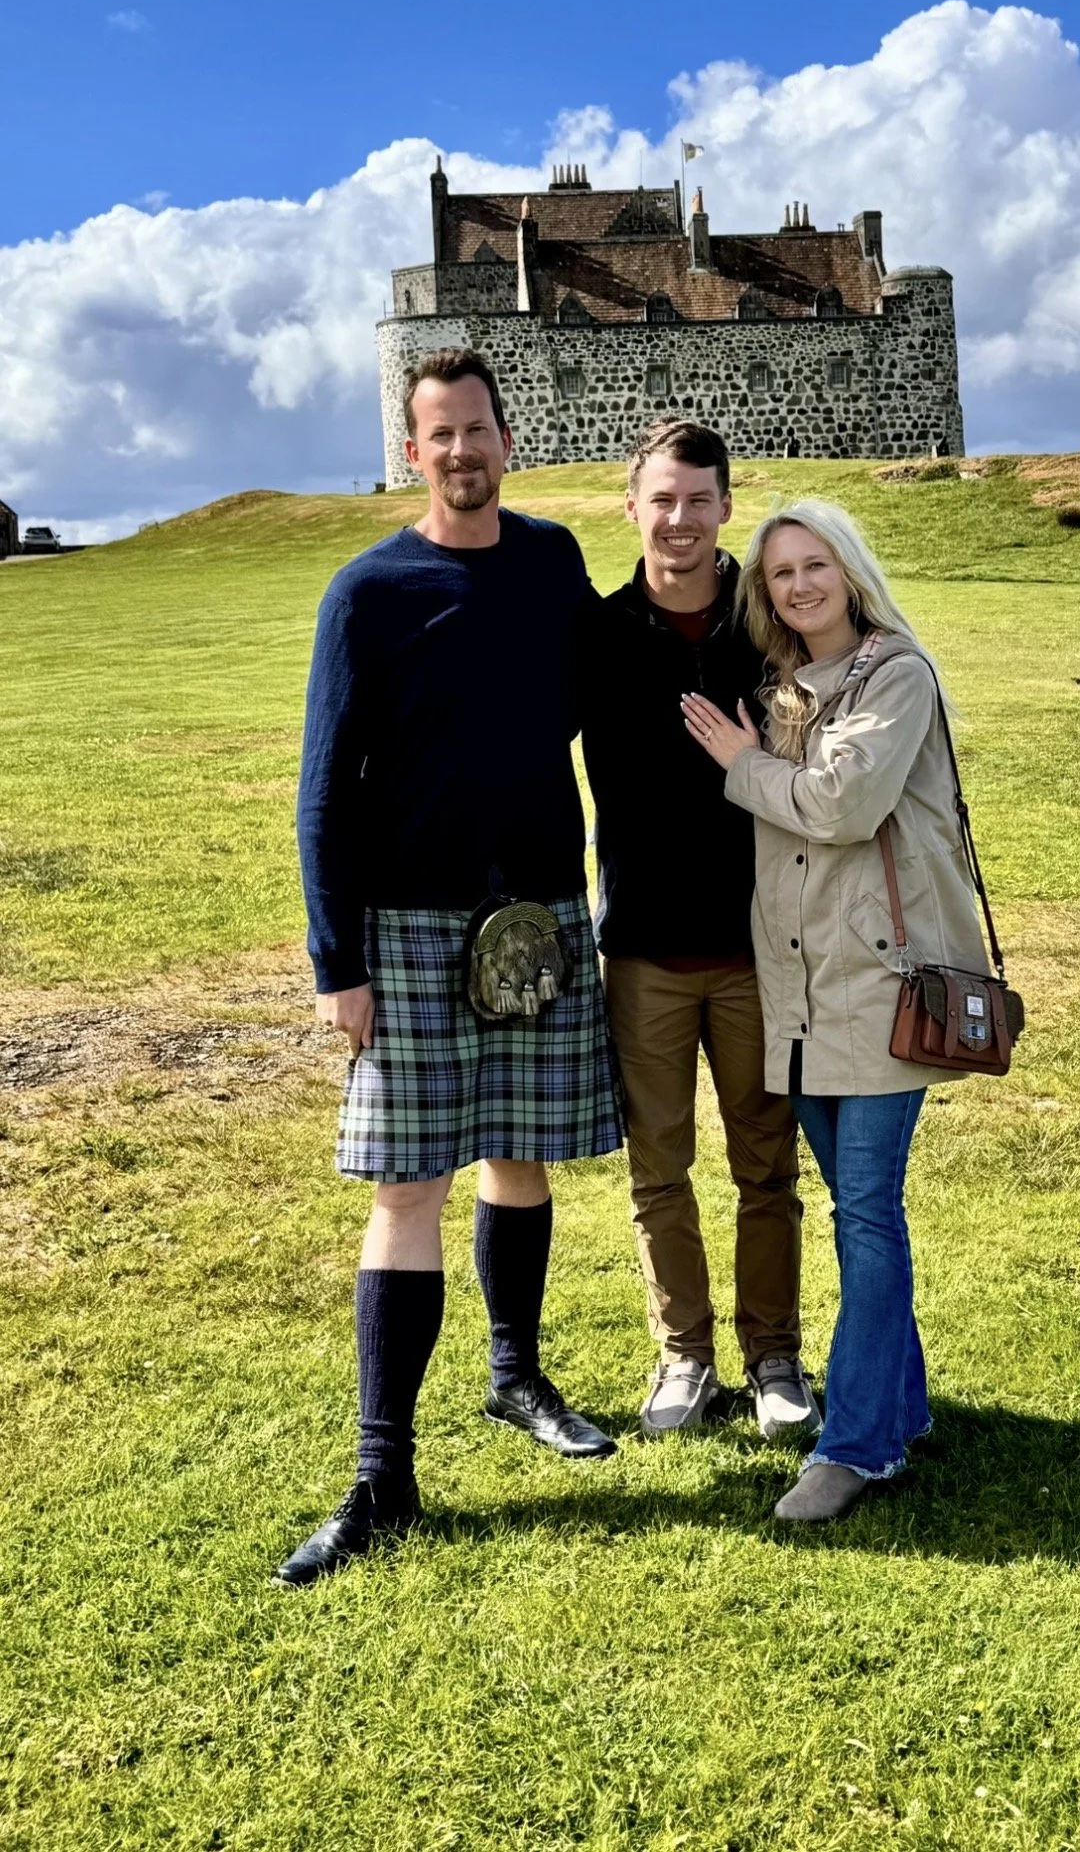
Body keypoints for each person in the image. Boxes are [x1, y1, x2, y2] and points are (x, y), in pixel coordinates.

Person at [277, 349, 624, 1587]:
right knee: (407, 1187)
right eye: (441, 434)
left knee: (521, 1158)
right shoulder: (366, 591)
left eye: (479, 429)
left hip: (532, 922)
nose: (464, 451)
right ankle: (384, 1475)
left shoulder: (550, 565)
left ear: (506, 440)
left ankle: (517, 1378)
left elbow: (612, 689)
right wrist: (338, 960)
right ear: (412, 450)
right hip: (409, 931)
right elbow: (321, 792)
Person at [680, 499, 988, 1523]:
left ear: (849, 571)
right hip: (802, 996)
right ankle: (899, 1409)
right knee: (864, 1217)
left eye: (815, 565)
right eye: (780, 575)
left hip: (887, 988)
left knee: (866, 1212)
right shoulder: (780, 691)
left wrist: (740, 764)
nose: (800, 585)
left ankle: (854, 1449)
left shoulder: (895, 676)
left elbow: (843, 809)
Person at [579, 422, 817, 1441]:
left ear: (727, 506)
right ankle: (684, 1359)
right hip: (643, 951)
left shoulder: (767, 631)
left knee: (766, 1168)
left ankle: (774, 1358)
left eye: (698, 500)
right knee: (658, 1169)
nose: (678, 520)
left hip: (760, 950)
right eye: (660, 500)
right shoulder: (596, 634)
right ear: (632, 508)